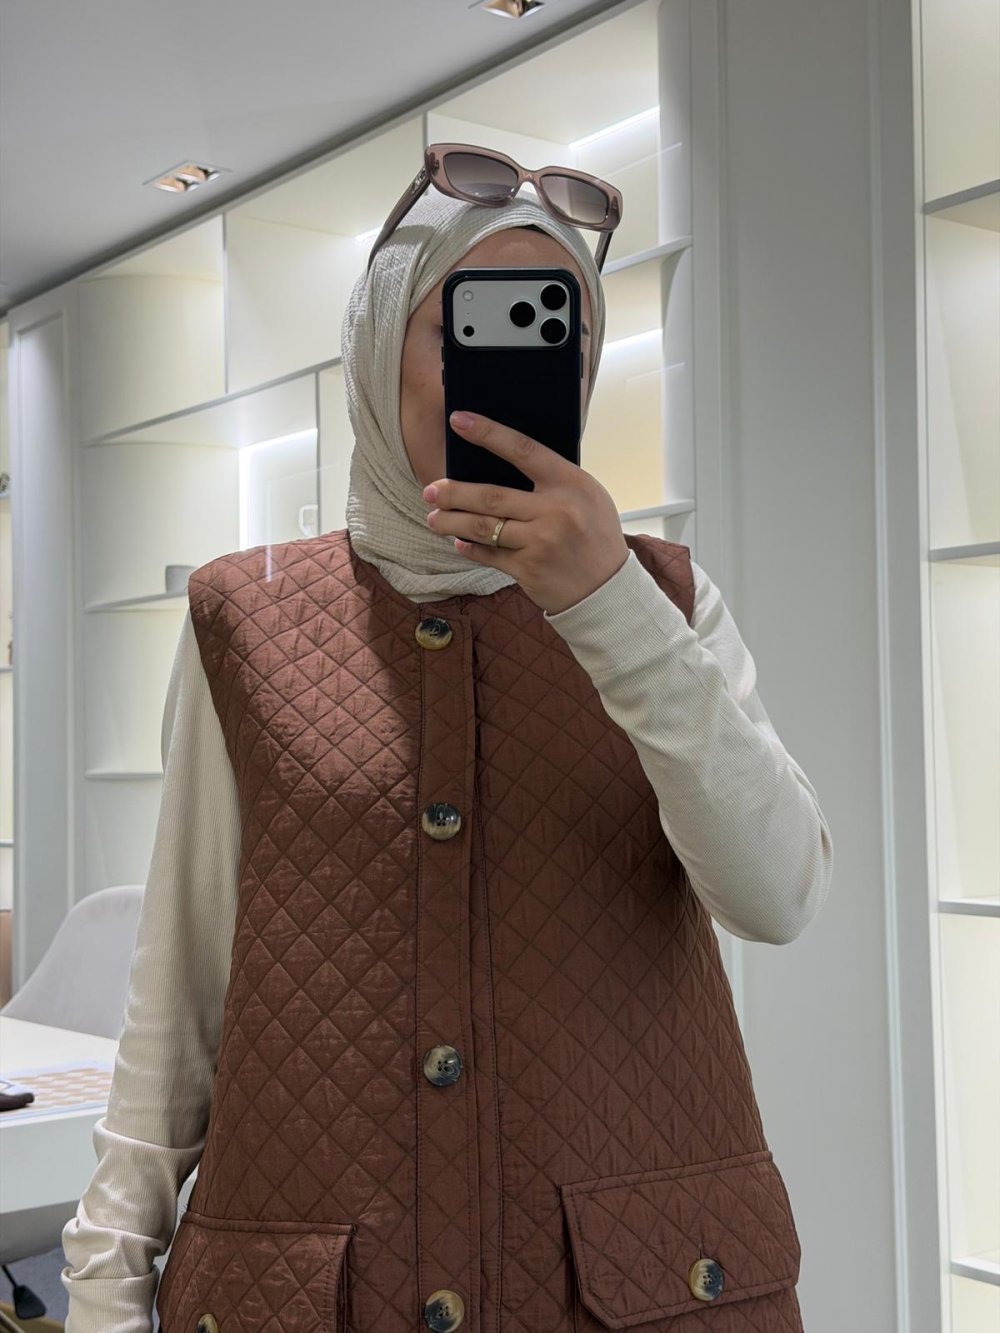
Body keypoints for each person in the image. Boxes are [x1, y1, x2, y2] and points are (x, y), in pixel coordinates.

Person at [60, 155, 832, 1333]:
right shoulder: (244, 619)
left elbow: (777, 895)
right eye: (467, 326)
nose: (514, 370)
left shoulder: (666, 600)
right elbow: (180, 999)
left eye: (558, 331)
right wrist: (107, 1290)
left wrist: (607, 605)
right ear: (378, 348)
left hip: (633, 1296)